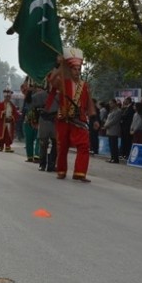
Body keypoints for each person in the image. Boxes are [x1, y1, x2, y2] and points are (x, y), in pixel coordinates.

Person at [45, 48, 99, 182]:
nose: (77, 71)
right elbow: (51, 80)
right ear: (70, 70)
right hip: (64, 118)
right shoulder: (64, 82)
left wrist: (94, 118)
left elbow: (90, 103)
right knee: (62, 146)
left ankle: (80, 173)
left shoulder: (84, 85)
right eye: (74, 69)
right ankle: (61, 170)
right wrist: (61, 67)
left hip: (79, 120)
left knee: (84, 146)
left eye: (79, 69)